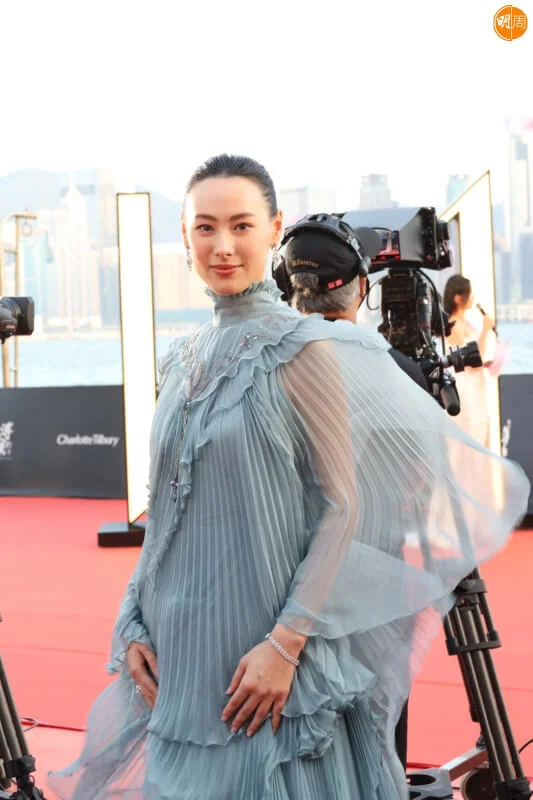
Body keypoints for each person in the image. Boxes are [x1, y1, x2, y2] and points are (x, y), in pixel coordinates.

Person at [48, 155, 529, 800]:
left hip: (268, 664)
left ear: (274, 230)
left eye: (242, 226)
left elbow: (343, 507)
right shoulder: (179, 359)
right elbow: (166, 512)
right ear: (185, 236)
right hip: (178, 657)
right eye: (205, 227)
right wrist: (131, 621)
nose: (223, 246)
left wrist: (286, 645)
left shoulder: (306, 348)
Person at [279, 220, 425, 770]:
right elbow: (423, 481)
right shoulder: (400, 372)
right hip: (378, 590)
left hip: (285, 595)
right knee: (379, 743)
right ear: (362, 287)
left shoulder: (271, 369)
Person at [443, 275, 496, 447]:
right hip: (466, 389)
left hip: (476, 383)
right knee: (470, 436)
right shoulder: (455, 325)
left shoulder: (465, 322)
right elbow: (471, 357)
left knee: (480, 433)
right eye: (470, 294)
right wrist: (486, 329)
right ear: (458, 298)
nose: (472, 298)